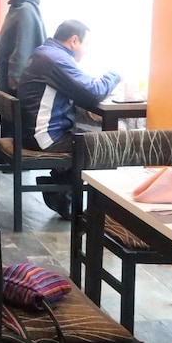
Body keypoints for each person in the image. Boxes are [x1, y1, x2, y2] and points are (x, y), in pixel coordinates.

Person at [18, 20, 121, 218]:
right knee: (108, 144)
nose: (87, 50)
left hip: (32, 132)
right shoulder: (56, 58)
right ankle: (100, 213)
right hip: (46, 137)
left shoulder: (45, 53)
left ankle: (63, 191)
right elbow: (92, 92)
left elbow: (83, 87)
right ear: (74, 40)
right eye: (86, 44)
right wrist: (115, 75)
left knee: (91, 134)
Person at [0, 0, 45, 94]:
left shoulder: (25, 10)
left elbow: (23, 46)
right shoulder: (19, 8)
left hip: (15, 80)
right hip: (6, 73)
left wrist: (15, 76)